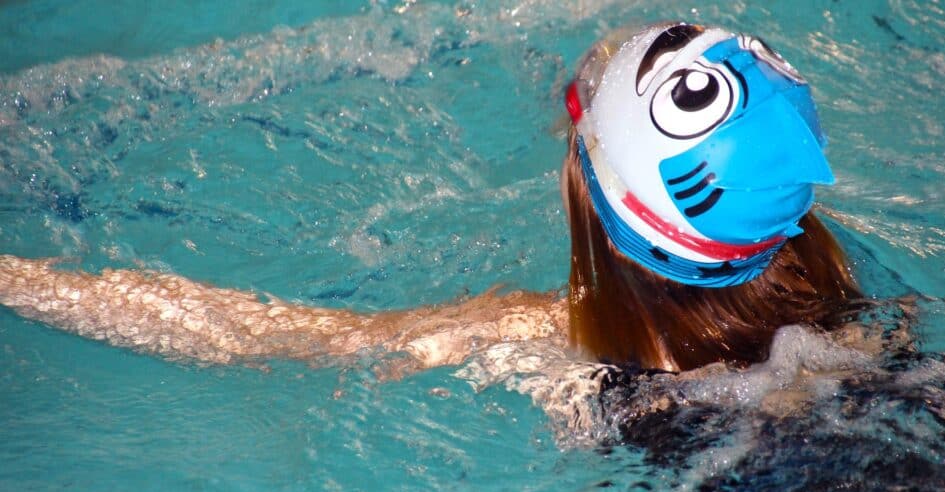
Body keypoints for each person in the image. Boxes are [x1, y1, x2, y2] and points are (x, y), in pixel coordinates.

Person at [0, 22, 861, 384]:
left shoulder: (566, 352)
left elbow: (259, 336)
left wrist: (16, 279)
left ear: (597, 214)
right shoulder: (851, 314)